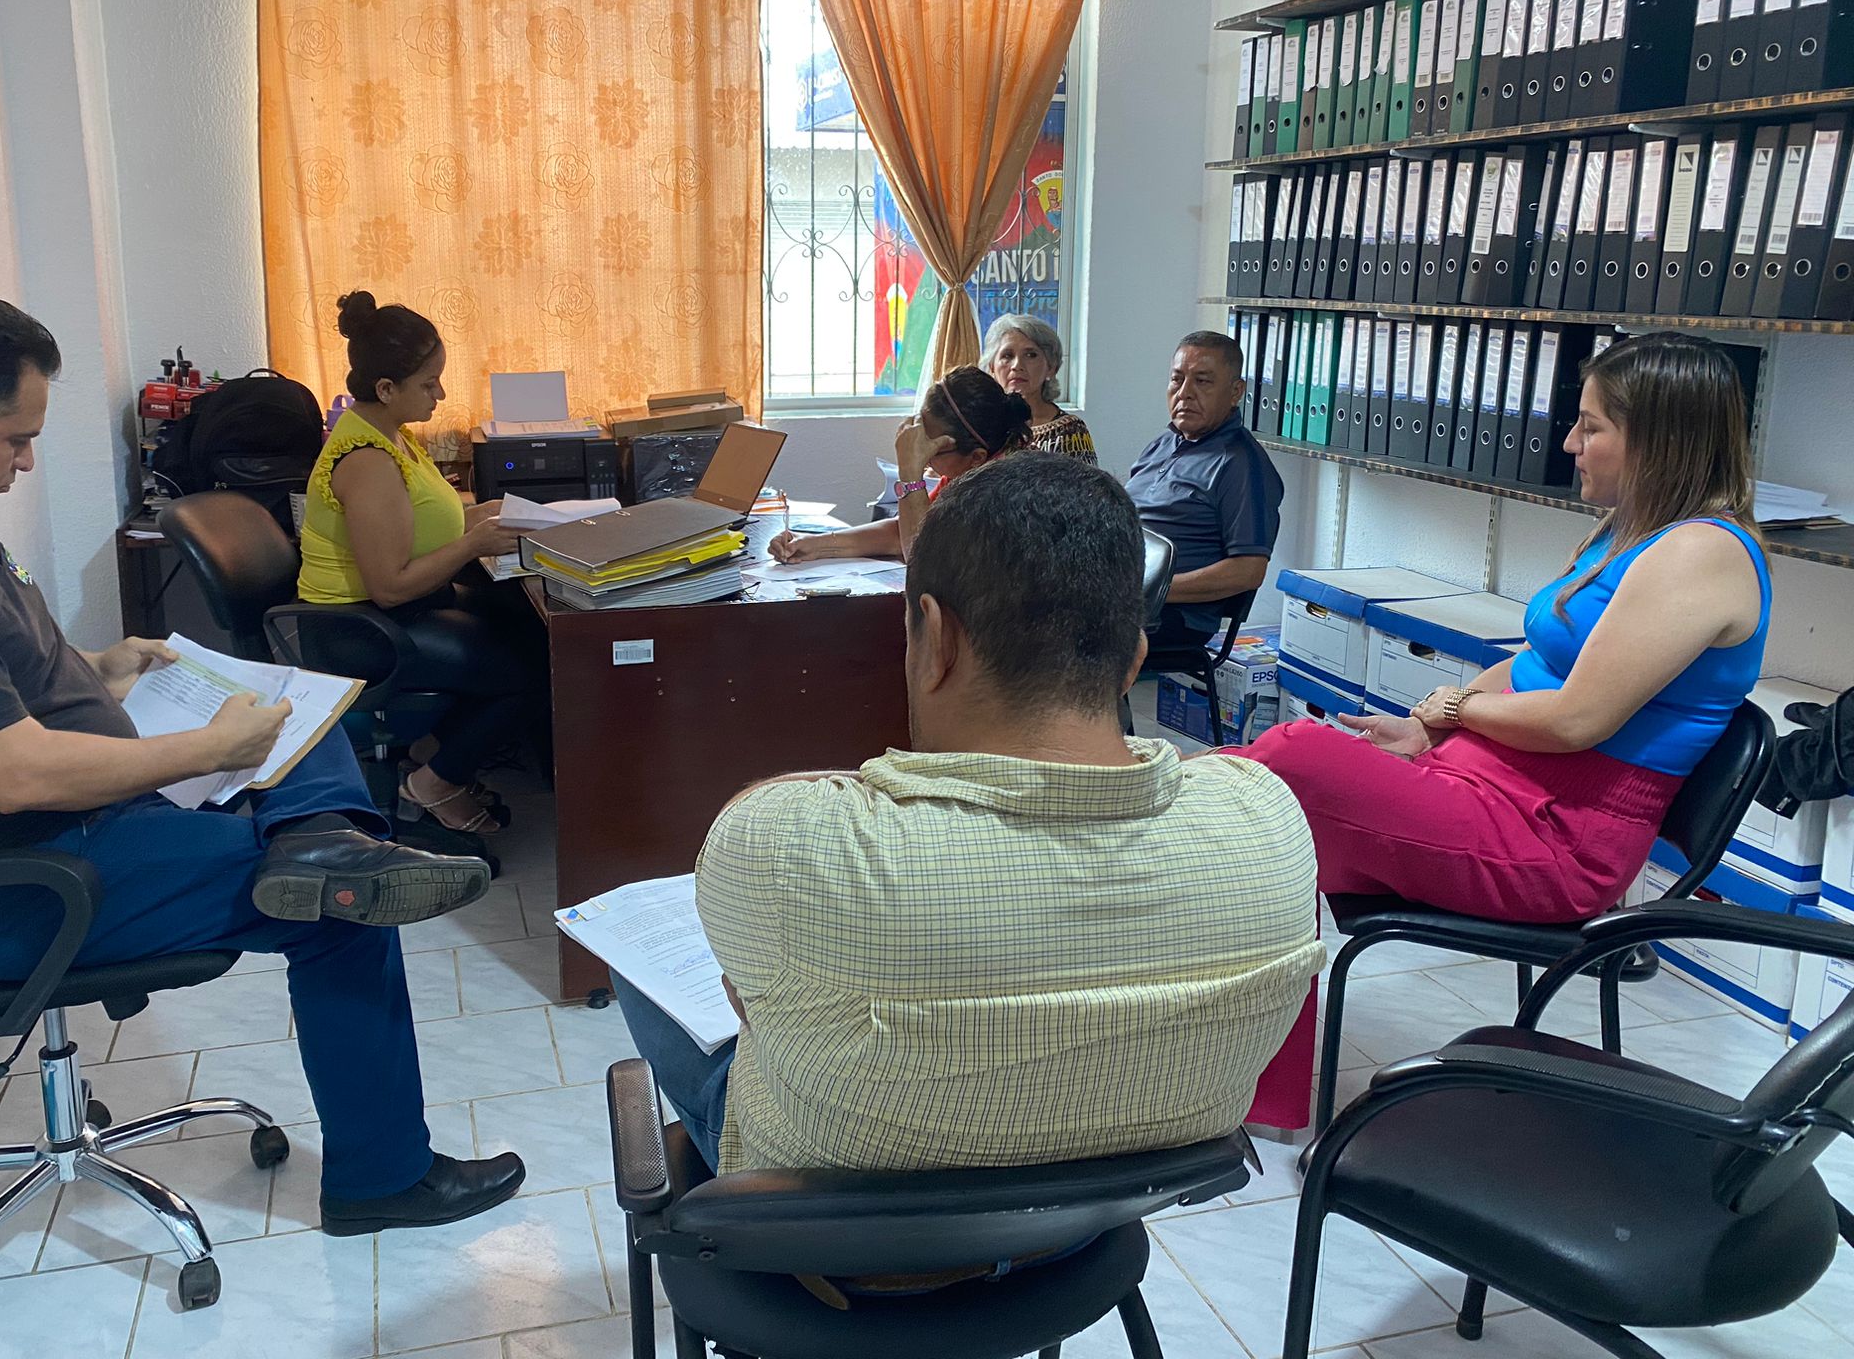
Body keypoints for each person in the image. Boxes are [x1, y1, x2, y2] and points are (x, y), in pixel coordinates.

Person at [0, 292, 526, 1234]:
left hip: (76, 821)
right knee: (342, 908)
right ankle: (381, 1177)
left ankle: (321, 843)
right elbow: (13, 776)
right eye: (18, 441)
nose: (26, 463)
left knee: (302, 725)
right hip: (10, 884)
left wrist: (95, 667)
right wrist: (209, 750)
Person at [619, 451, 1324, 1174]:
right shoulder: (1269, 821)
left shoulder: (787, 843)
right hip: (1109, 1206)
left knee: (640, 973)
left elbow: (748, 996)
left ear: (938, 638)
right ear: (1135, 657)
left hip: (827, 1227)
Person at [1234, 333, 1771, 1128]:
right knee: (1260, 822)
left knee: (1287, 755)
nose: (1570, 443)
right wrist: (1427, 728)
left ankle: (1230, 1078)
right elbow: (1532, 665)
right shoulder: (1630, 532)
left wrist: (1453, 712)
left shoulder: (1704, 553)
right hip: (1494, 790)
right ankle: (1233, 1076)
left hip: (1557, 840)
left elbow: (1576, 719)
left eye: (1591, 427)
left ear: (1657, 439)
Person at [298, 291, 543, 839]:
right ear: (386, 388)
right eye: (429, 384)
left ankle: (435, 756)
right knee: (531, 671)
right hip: (362, 629)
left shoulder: (391, 435)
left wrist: (481, 513)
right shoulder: (366, 460)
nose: (441, 394)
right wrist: (473, 543)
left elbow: (417, 521)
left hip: (398, 609)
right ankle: (434, 781)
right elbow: (389, 586)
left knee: (528, 629)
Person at [766, 366, 1031, 565]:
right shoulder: (967, 470)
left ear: (976, 456)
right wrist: (814, 544)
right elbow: (901, 533)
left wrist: (910, 471)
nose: (922, 454)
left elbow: (922, 559)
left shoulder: (1003, 492)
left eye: (931, 449)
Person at [1126, 331, 1284, 654]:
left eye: (1202, 381)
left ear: (1235, 392)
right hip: (1119, 592)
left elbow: (1248, 571)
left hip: (1171, 615)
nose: (1184, 393)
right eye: (1177, 379)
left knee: (1048, 631)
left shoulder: (1240, 464)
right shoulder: (1164, 443)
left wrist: (1147, 591)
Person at [982, 312, 1096, 465]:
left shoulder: (1070, 430)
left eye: (1031, 355)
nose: (1017, 366)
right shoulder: (980, 425)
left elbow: (1087, 481)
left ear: (1051, 368)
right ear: (992, 368)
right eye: (1007, 356)